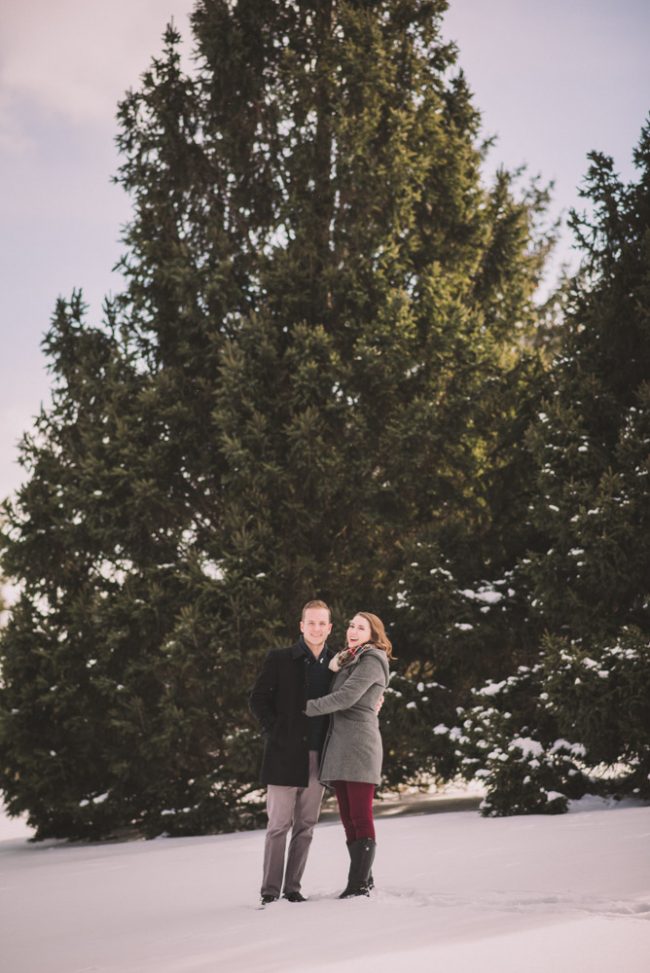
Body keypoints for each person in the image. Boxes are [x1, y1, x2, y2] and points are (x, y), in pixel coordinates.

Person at [249, 600, 334, 905]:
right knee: (278, 826)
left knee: (305, 826)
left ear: (329, 628)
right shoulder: (280, 659)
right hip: (284, 756)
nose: (316, 628)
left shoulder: (337, 663)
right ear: (301, 625)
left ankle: (293, 888)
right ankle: (270, 892)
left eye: (322, 623)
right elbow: (257, 699)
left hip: (319, 756)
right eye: (311, 622)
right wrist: (277, 731)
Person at [305, 611, 391, 898]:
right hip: (341, 744)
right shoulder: (347, 659)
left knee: (361, 815)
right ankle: (364, 878)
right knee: (348, 817)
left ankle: (358, 885)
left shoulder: (372, 660)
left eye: (361, 627)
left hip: (359, 745)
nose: (353, 631)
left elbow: (346, 697)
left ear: (372, 634)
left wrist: (305, 708)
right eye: (352, 625)